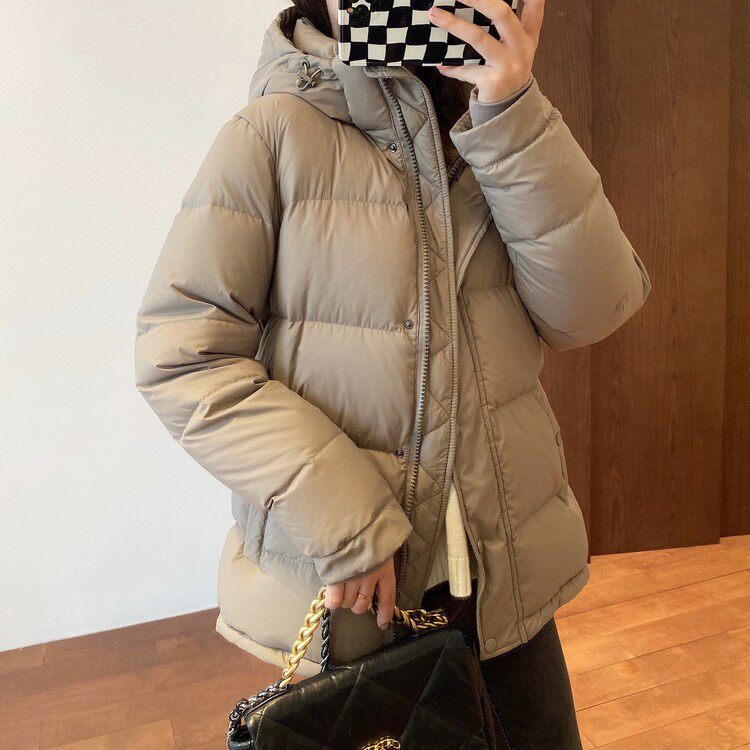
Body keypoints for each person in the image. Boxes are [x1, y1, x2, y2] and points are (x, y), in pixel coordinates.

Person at [135, 1, 650, 746]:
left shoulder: (491, 123)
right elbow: (182, 356)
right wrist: (347, 521)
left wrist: (512, 112)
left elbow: (592, 310)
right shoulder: (273, 134)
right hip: (353, 595)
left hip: (503, 582)